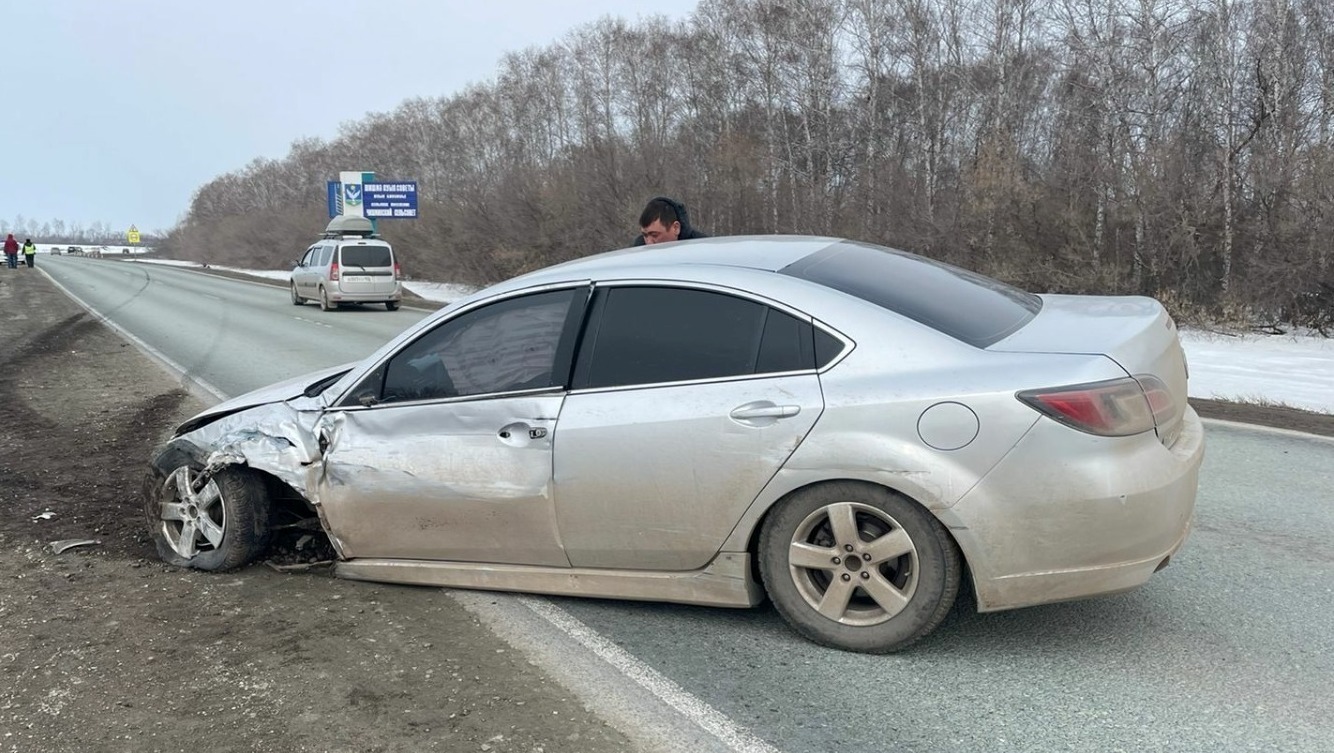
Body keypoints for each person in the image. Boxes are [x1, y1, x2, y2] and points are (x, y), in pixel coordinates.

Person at [633, 196, 709, 246]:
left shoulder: (701, 247)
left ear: (676, 228)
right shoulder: (638, 249)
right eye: (645, 235)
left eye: (654, 235)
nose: (648, 243)